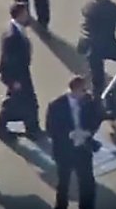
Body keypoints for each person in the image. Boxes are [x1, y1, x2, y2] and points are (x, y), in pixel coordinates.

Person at [46, 76, 101, 209]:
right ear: (75, 90)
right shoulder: (56, 106)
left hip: (83, 148)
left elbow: (96, 119)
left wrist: (88, 132)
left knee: (87, 182)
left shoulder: (88, 102)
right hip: (64, 150)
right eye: (83, 90)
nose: (86, 93)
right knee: (63, 182)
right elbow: (51, 129)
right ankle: (61, 206)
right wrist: (69, 135)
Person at [0, 2, 43, 141]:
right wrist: (13, 81)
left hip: (21, 73)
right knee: (19, 101)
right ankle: (3, 126)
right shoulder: (12, 35)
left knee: (24, 100)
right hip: (17, 76)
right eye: (26, 13)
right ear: (20, 14)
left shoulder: (17, 29)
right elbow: (9, 60)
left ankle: (31, 127)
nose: (28, 16)